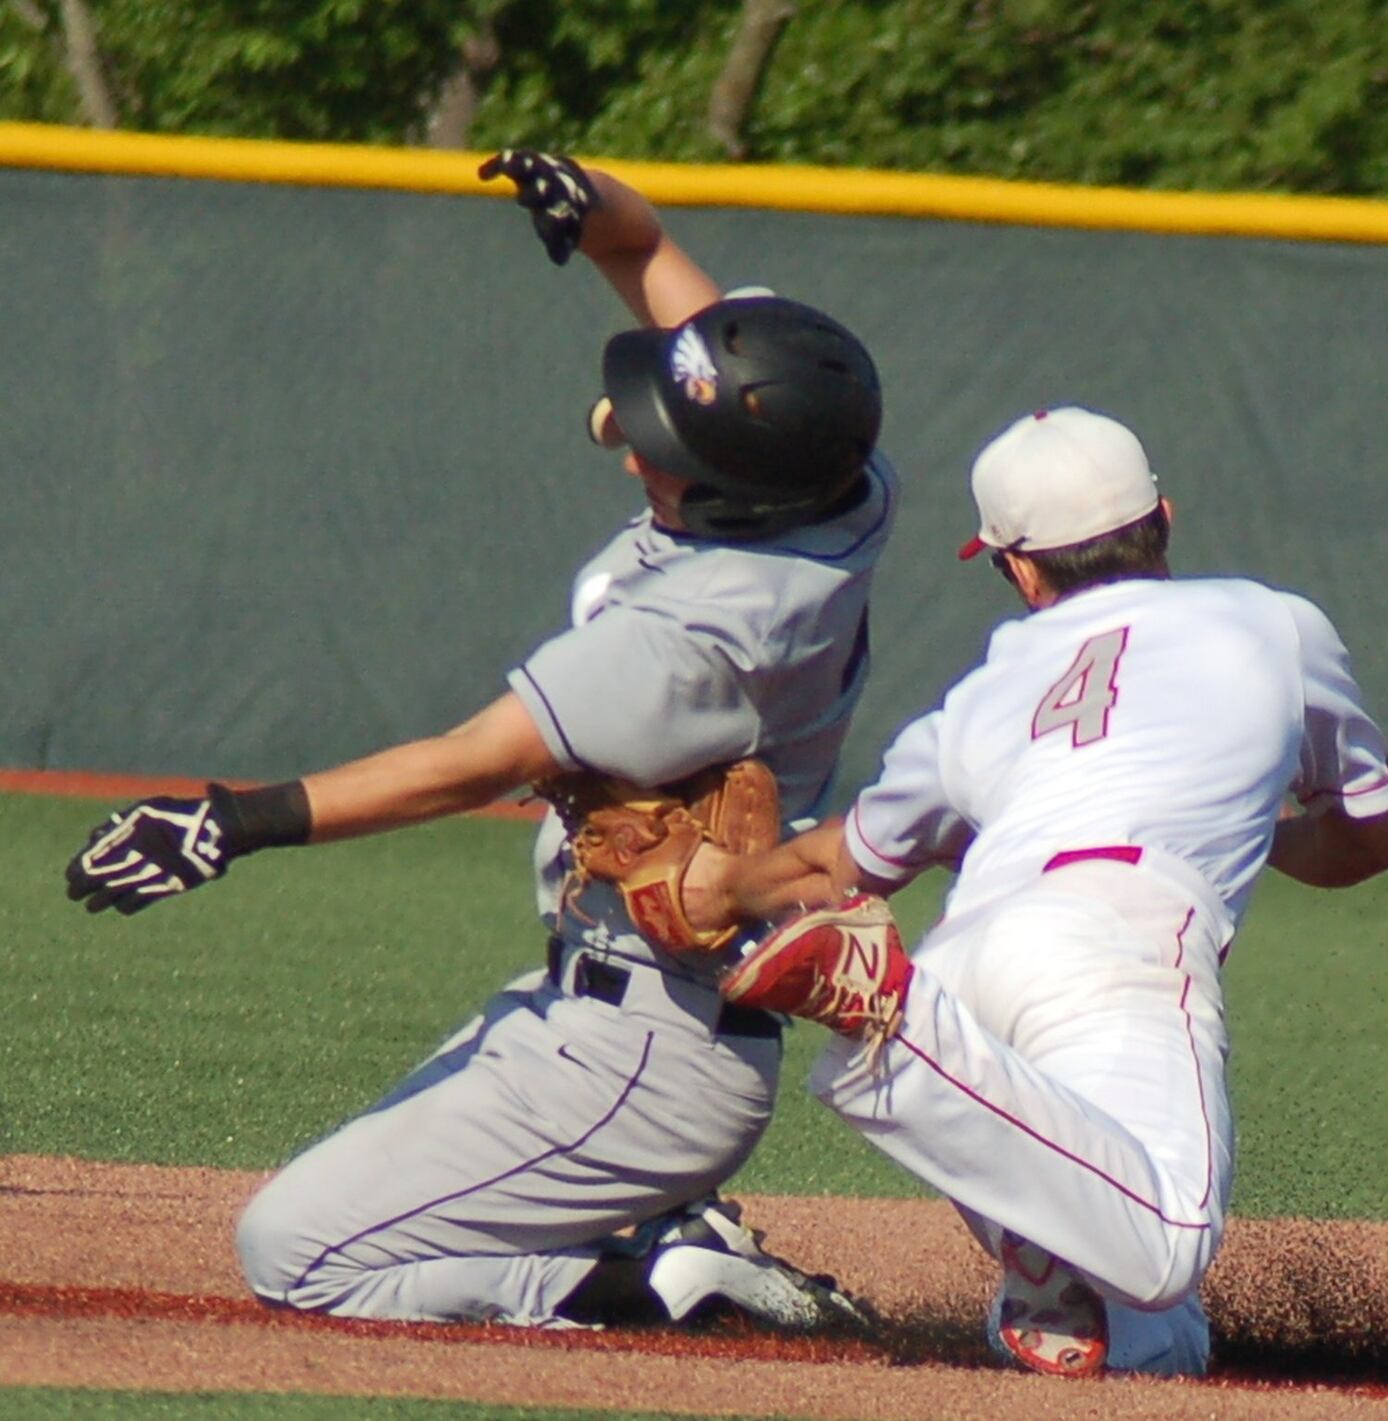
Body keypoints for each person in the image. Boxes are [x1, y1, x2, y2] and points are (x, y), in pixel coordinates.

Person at [63, 151, 895, 1332]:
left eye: (664, 443)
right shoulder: (842, 485)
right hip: (596, 1010)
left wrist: (231, 821)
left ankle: (654, 1281)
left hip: (647, 1052)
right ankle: (652, 1225)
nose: (630, 439)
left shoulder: (693, 636)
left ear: (738, 499)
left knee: (298, 1252)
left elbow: (466, 762)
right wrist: (603, 217)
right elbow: (662, 273)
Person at [684, 405, 1388, 1376]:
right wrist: (1251, 812)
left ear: (1018, 568)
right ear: (1166, 517)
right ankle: (895, 1036)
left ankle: (1042, 1267)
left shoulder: (984, 687)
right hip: (1109, 944)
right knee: (1167, 1243)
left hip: (967, 954)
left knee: (1149, 1337)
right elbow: (1366, 840)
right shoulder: (1274, 621)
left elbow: (844, 860)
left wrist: (724, 888)